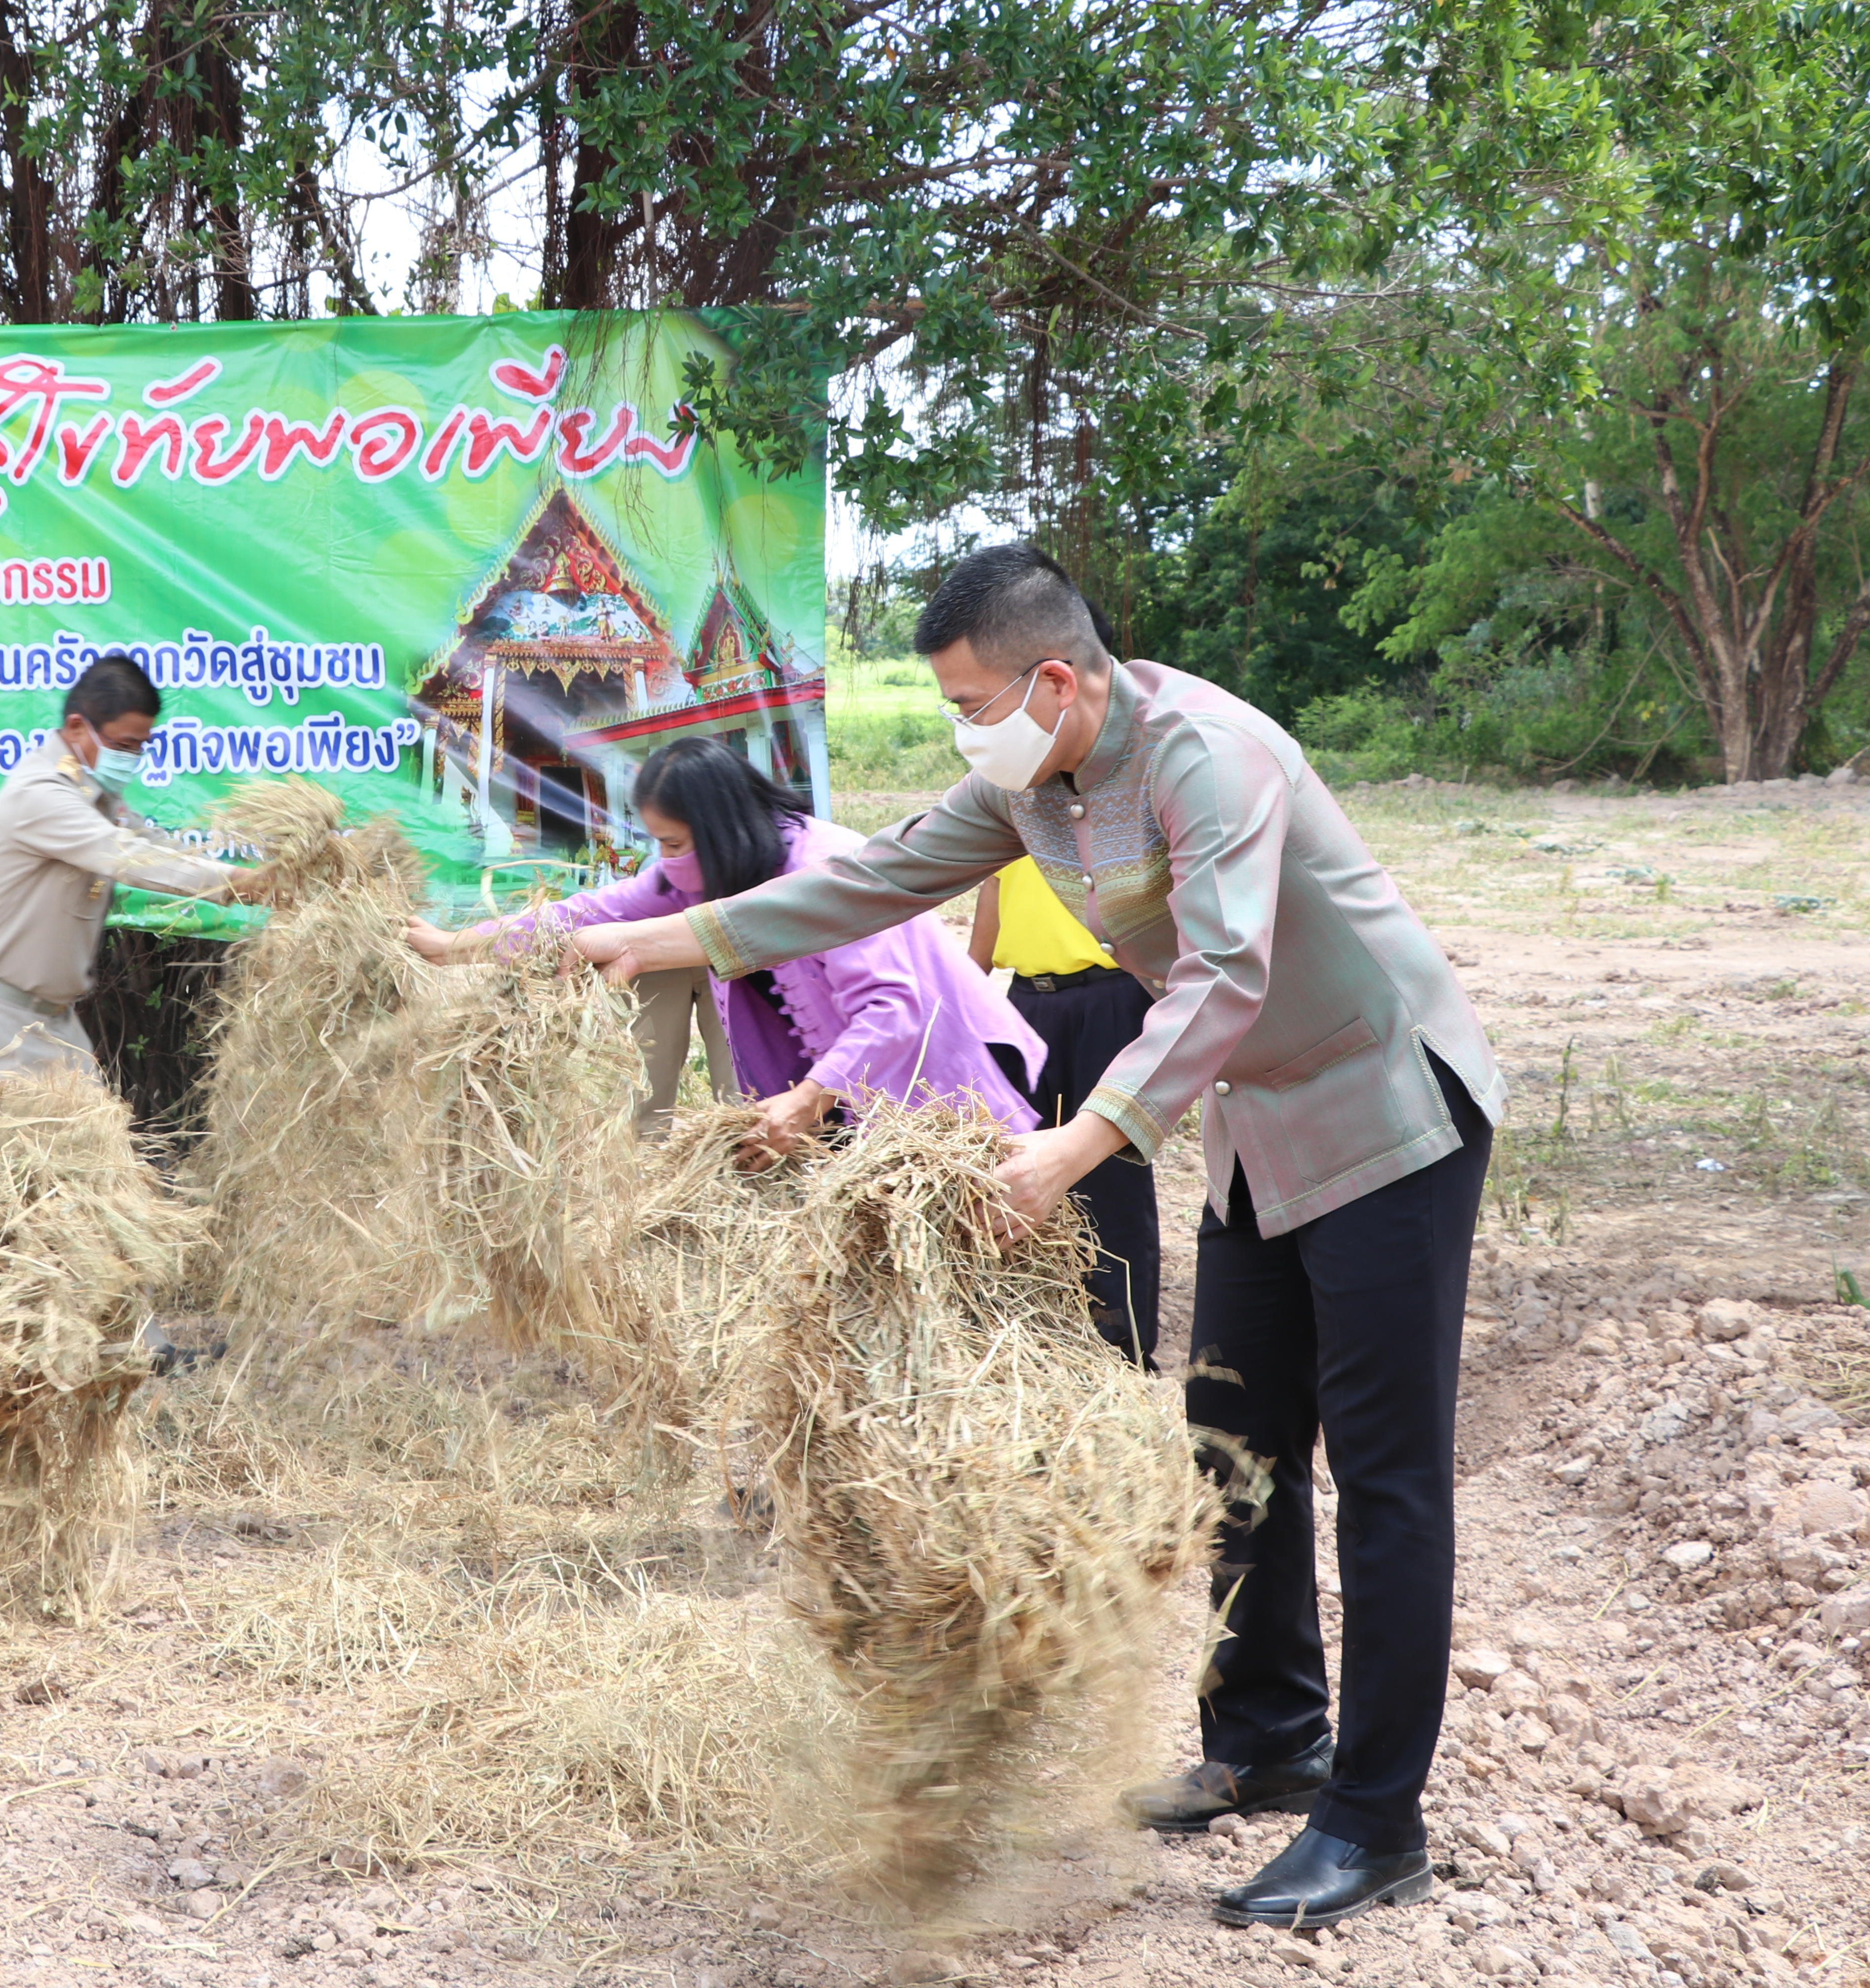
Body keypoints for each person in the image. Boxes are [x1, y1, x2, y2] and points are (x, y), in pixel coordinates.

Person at [561, 543, 1503, 1930]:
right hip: (1259, 1126)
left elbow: (1230, 975)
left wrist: (1076, 1143)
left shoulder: (1211, 756)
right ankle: (1272, 1740)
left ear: (1055, 679)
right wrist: (669, 941)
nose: (961, 731)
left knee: (1387, 1473)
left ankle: (1377, 1824)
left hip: (1383, 1108)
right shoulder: (1039, 776)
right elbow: (868, 882)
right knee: (1233, 1441)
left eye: (969, 702)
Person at [409, 737, 1042, 1151]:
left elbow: (893, 1011)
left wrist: (804, 1100)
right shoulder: (703, 871)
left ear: (719, 830)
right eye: (659, 843)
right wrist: (451, 945)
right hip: (842, 1121)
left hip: (929, 1110)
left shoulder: (827, 869)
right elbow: (583, 914)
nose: (666, 864)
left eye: (676, 844)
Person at [0, 654, 256, 1080]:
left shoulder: (95, 798)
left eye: (141, 746)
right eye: (123, 746)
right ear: (78, 729)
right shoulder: (41, 794)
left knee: (95, 1143)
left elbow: (153, 844)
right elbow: (126, 855)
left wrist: (253, 875)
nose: (133, 757)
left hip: (53, 1022)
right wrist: (237, 883)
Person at [969, 855, 1160, 1366]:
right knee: (1016, 1158)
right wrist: (965, 999)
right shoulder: (1005, 809)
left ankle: (1123, 1349)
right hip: (1026, 1002)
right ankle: (1040, 1332)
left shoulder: (1095, 801)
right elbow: (989, 916)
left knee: (1110, 1173)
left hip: (1111, 998)